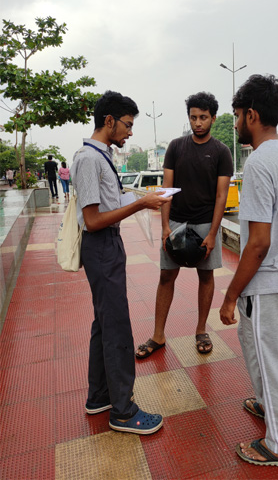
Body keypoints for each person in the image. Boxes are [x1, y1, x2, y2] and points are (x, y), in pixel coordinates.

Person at [70, 90, 172, 435]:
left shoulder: (101, 156)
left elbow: (106, 206)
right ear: (108, 121)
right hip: (101, 244)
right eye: (127, 125)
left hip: (106, 245)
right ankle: (124, 413)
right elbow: (94, 219)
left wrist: (138, 198)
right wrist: (141, 206)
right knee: (116, 327)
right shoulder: (89, 158)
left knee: (104, 323)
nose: (130, 132)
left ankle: (99, 396)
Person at [219, 75, 278, 468]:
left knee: (268, 355)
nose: (236, 123)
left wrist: (231, 294)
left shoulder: (258, 162)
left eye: (237, 116)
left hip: (267, 279)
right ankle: (266, 402)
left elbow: (257, 243)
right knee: (254, 343)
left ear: (251, 115)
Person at [136, 92, 233, 358]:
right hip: (176, 221)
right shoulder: (176, 147)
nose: (198, 122)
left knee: (206, 276)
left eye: (203, 117)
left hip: (205, 224)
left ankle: (201, 330)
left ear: (213, 118)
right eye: (193, 117)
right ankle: (158, 334)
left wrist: (213, 234)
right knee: (166, 276)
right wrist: (165, 227)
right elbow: (167, 189)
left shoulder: (221, 152)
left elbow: (221, 197)